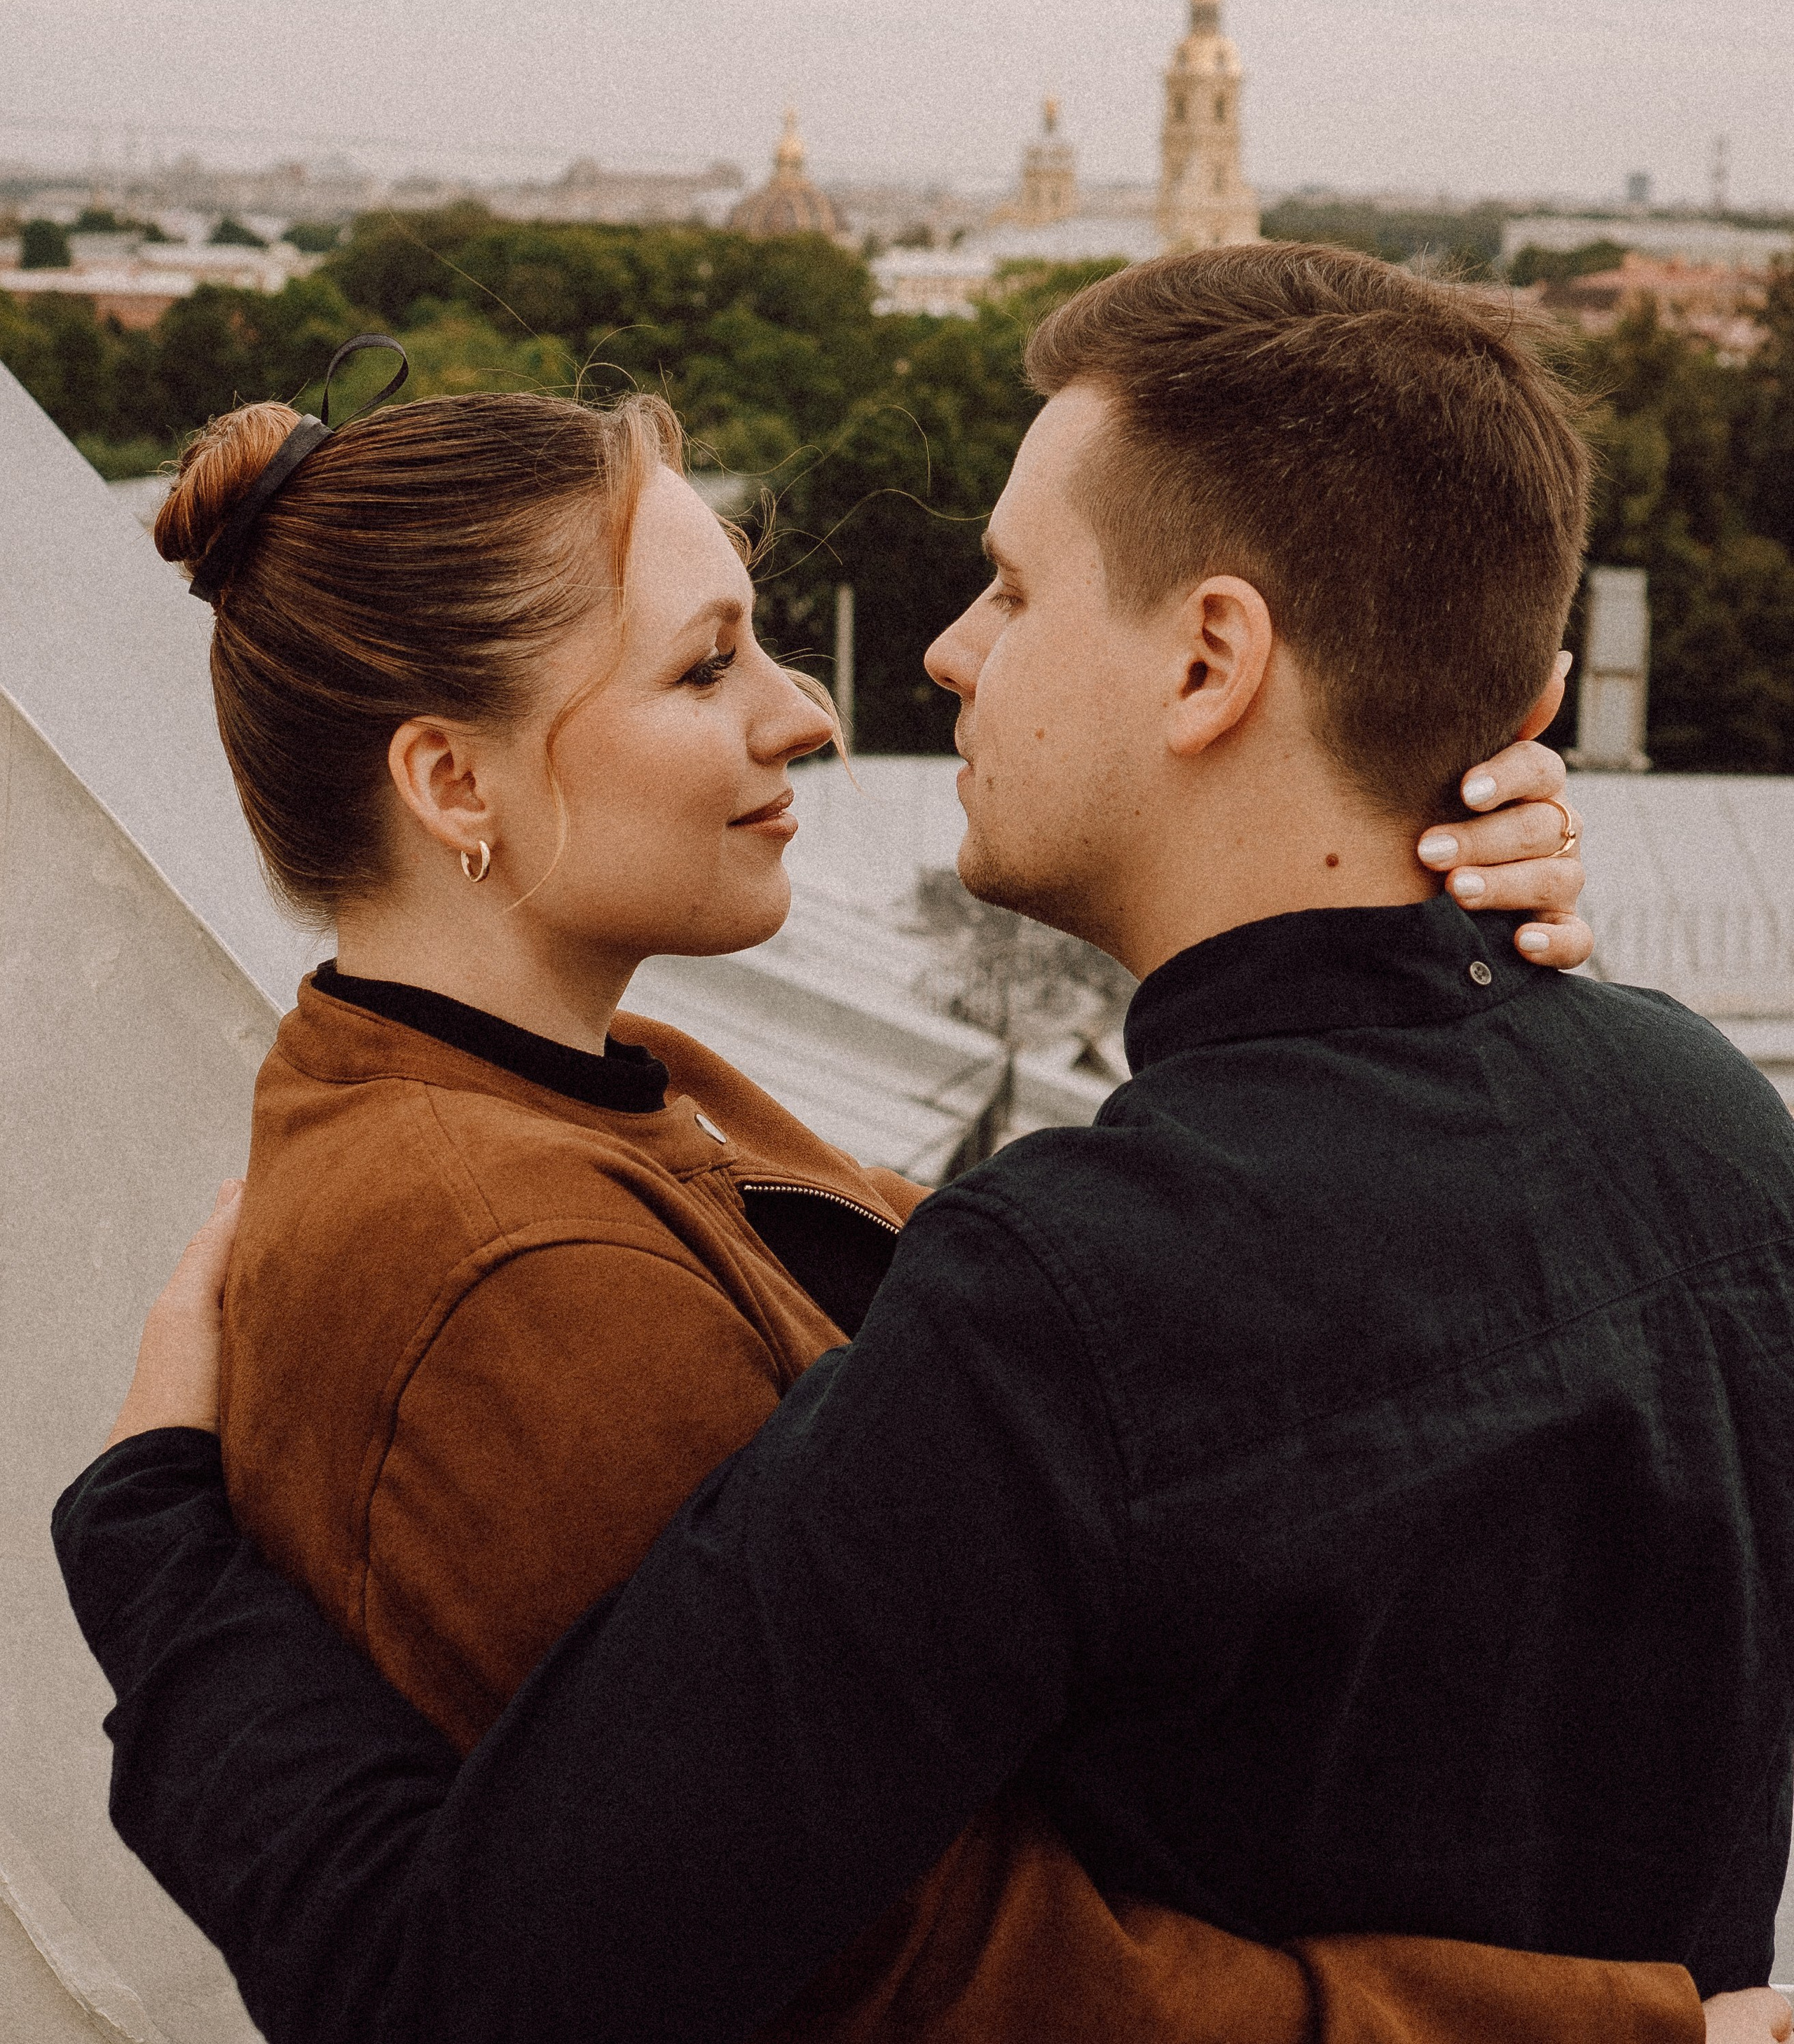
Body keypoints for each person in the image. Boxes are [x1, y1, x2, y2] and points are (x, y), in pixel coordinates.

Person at [52, 258, 1794, 2044]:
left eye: (1011, 588)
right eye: (709, 660)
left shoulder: (956, 1246)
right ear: (450, 783)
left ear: (1209, 662)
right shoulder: (1717, 1125)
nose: (894, 675)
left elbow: (509, 1982)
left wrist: (150, 1555)